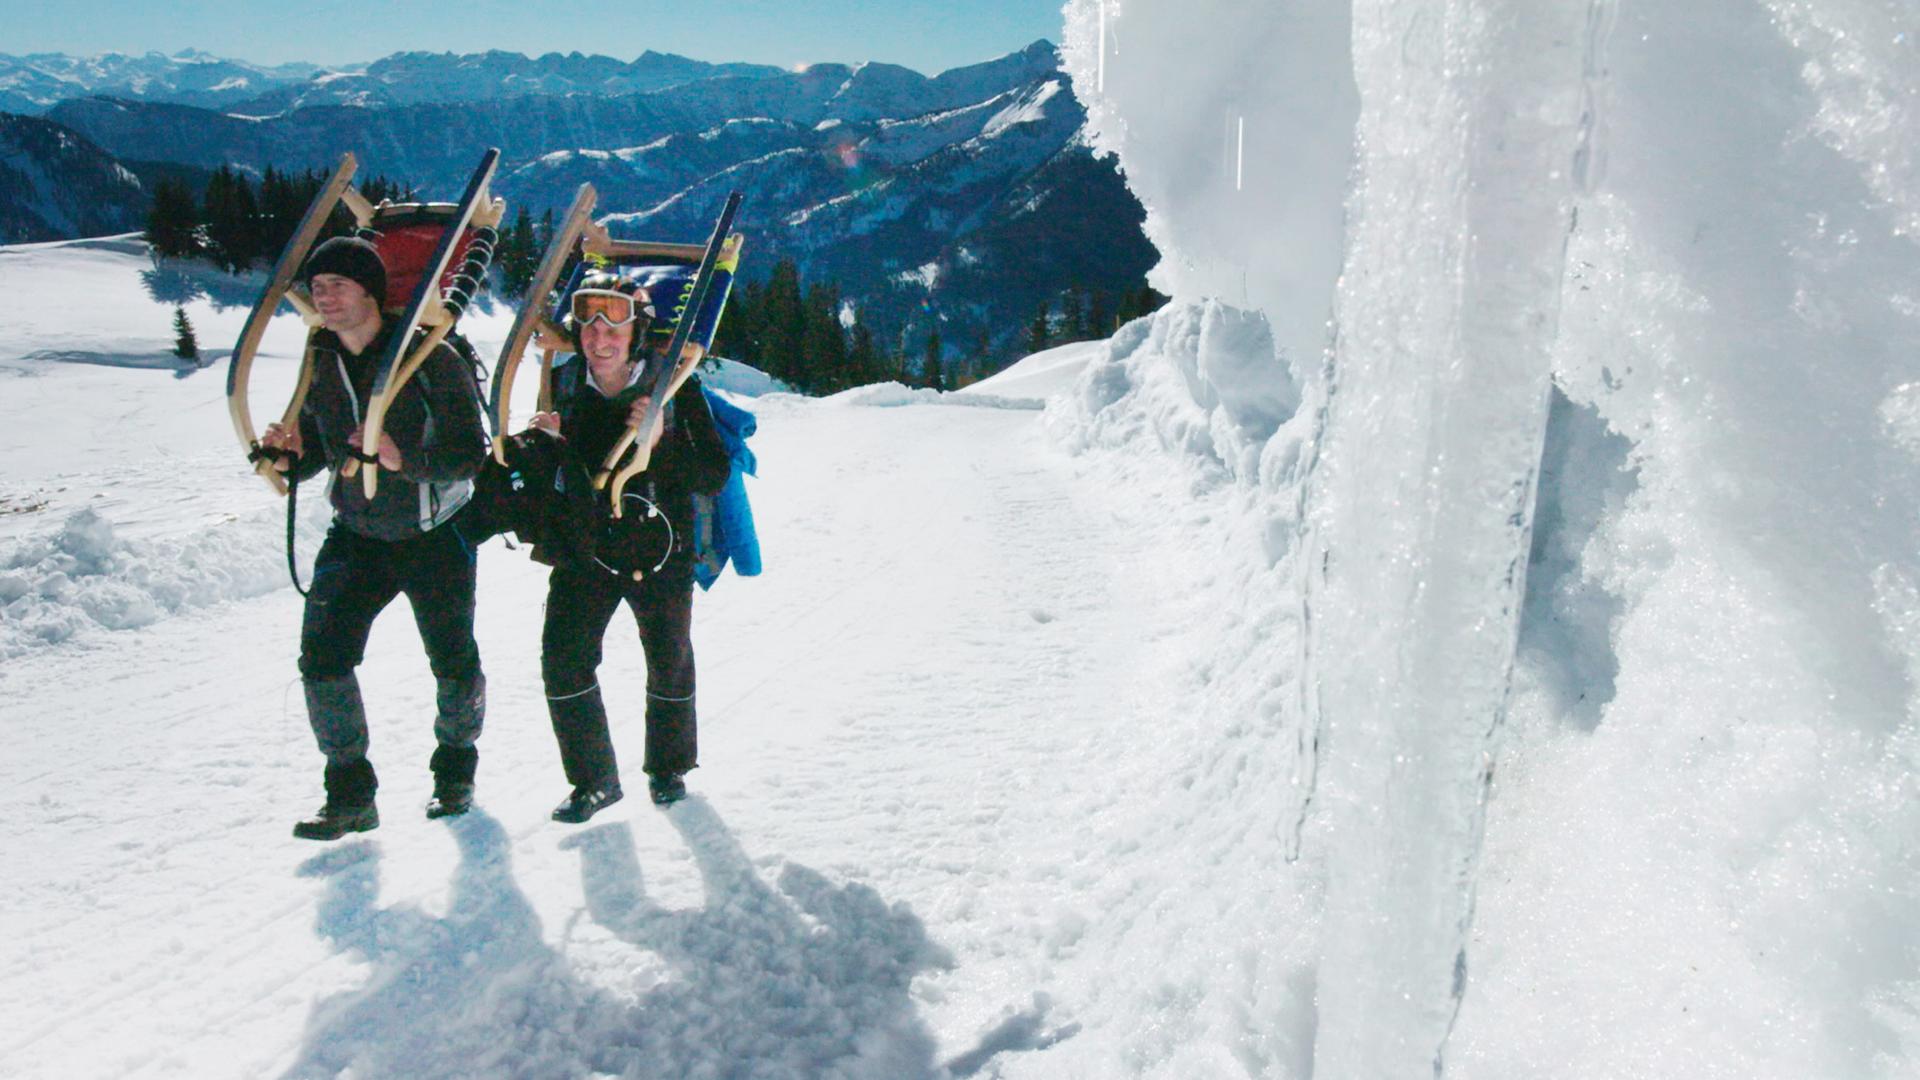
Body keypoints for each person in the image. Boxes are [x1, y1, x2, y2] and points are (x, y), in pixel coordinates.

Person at [258, 235, 490, 840]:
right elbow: (319, 445)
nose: (323, 297)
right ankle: (351, 796)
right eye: (317, 287)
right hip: (357, 532)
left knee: (451, 659)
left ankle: (455, 773)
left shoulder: (431, 357)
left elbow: (471, 453)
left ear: (370, 291)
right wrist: (291, 458)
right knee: (322, 660)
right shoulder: (322, 359)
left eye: (336, 285)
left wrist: (401, 458)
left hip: (434, 533)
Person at [531, 271, 730, 821]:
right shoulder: (565, 383)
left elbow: (712, 473)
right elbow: (555, 477)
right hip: (588, 548)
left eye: (614, 324)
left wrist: (661, 439)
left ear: (636, 331)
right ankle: (593, 780)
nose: (599, 338)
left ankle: (668, 768)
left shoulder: (673, 385)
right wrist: (541, 447)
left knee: (668, 659)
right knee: (563, 661)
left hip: (659, 549)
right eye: (588, 325)